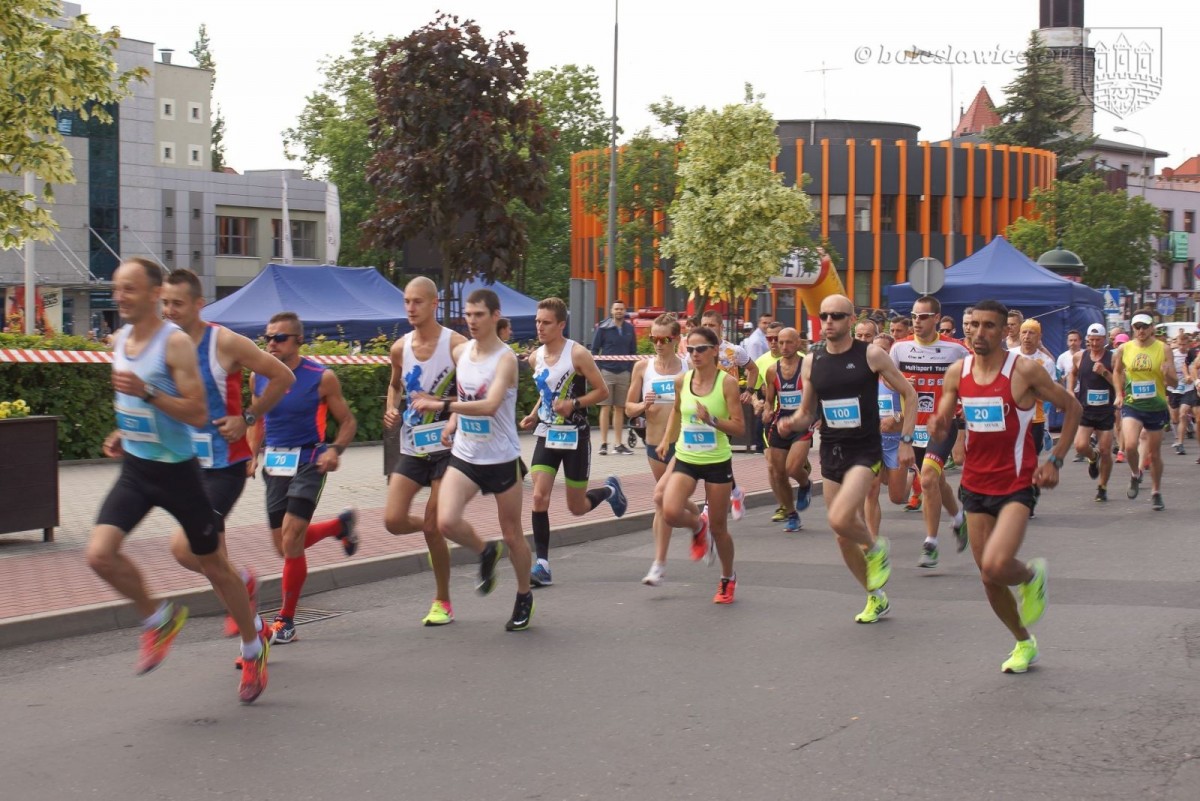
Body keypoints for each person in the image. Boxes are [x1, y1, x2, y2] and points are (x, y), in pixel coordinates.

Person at [86, 257, 269, 703]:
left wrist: (148, 392)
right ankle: (159, 619)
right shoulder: (121, 339)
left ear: (153, 294)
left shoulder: (175, 344)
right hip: (137, 469)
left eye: (129, 289)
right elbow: (134, 406)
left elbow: (197, 412)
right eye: (116, 288)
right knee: (99, 555)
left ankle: (253, 646)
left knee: (215, 566)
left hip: (179, 473)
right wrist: (123, 431)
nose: (119, 297)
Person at [928, 299, 1081, 674]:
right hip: (975, 484)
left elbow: (1073, 407)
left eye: (989, 326)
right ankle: (1024, 642)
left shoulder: (1023, 371)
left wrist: (1056, 460)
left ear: (1004, 331)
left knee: (996, 565)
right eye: (974, 325)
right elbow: (945, 414)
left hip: (1016, 483)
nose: (979, 332)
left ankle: (1031, 575)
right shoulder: (957, 372)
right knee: (988, 576)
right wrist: (939, 424)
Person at [160, 269, 295, 649]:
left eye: (177, 303)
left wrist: (248, 418)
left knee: (185, 547)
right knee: (213, 562)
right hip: (188, 466)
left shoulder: (225, 342)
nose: (169, 311)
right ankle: (252, 626)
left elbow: (283, 377)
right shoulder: (165, 344)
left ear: (198, 305)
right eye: (165, 303)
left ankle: (250, 631)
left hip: (225, 467)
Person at [778, 294, 918, 624]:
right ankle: (875, 596)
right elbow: (808, 410)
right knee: (841, 535)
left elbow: (909, 394)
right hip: (832, 450)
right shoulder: (812, 360)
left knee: (840, 518)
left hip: (865, 450)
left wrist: (906, 441)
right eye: (824, 315)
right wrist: (792, 422)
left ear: (851, 320)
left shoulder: (870, 354)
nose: (829, 321)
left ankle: (875, 547)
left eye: (837, 316)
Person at [410, 288, 536, 631]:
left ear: (495, 316)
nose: (472, 321)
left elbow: (490, 404)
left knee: (512, 535)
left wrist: (442, 406)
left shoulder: (505, 359)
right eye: (468, 315)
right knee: (446, 522)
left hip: (501, 458)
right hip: (466, 454)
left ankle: (524, 595)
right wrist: (453, 420)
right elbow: (465, 393)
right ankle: (485, 552)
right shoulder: (462, 352)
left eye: (479, 315)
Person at [248, 312, 360, 645]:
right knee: (283, 545)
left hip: (310, 460)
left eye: (279, 338)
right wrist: (251, 455)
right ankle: (338, 527)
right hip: (275, 462)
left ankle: (286, 620)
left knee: (293, 536)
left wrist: (335, 450)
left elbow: (348, 421)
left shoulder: (321, 377)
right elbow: (258, 420)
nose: (272, 343)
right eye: (268, 337)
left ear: (298, 341)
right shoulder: (258, 377)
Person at [521, 297, 628, 586]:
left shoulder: (578, 354)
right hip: (547, 433)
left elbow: (602, 391)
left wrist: (574, 404)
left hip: (575, 436)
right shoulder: (535, 357)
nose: (539, 327)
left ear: (561, 325)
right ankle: (542, 565)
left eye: (546, 323)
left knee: (577, 507)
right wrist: (534, 414)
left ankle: (609, 490)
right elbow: (547, 393)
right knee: (538, 496)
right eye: (537, 321)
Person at [382, 277, 468, 626]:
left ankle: (442, 600)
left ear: (434, 304)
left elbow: (475, 394)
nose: (410, 308)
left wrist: (445, 407)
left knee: (434, 525)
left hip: (448, 447)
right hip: (413, 445)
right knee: (393, 521)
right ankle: (437, 532)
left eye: (417, 302)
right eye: (406, 301)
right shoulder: (399, 348)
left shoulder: (457, 345)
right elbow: (394, 385)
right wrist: (391, 408)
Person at [654, 324, 745, 603]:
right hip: (687, 456)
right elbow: (677, 412)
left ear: (715, 350)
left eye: (701, 349)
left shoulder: (727, 383)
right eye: (690, 349)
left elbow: (739, 427)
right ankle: (697, 527)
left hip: (717, 460)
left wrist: (712, 420)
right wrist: (667, 439)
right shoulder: (682, 381)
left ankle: (728, 577)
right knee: (670, 511)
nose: (695, 354)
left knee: (719, 528)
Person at [890, 295, 970, 568]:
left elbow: (973, 380)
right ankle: (958, 518)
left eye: (923, 317)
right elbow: (886, 383)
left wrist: (965, 411)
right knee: (936, 481)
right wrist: (902, 383)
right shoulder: (899, 349)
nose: (917, 322)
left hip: (941, 426)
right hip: (913, 427)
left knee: (926, 480)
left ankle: (931, 543)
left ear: (936, 318)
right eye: (914, 316)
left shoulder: (956, 350)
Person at [626, 313, 688, 585]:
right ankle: (702, 525)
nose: (659, 344)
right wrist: (643, 405)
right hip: (654, 445)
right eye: (654, 339)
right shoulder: (642, 367)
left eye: (664, 339)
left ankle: (658, 564)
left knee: (661, 499)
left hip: (682, 444)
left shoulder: (687, 367)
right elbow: (628, 408)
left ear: (676, 339)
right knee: (671, 501)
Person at [1112, 312, 1177, 511]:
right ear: (1132, 328)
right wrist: (1119, 394)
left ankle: (1156, 492)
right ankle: (1135, 474)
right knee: (1130, 445)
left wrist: (1167, 375)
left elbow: (1174, 382)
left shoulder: (1163, 349)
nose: (1141, 330)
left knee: (1154, 454)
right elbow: (1117, 371)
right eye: (1137, 327)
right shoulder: (1124, 348)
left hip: (1156, 406)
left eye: (1145, 326)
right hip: (1133, 404)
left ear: (1152, 328)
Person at [701, 310, 759, 519]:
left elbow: (753, 369)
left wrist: (749, 391)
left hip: (727, 415)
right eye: (704, 325)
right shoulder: (696, 352)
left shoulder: (733, 351)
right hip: (703, 412)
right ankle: (735, 492)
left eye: (711, 325)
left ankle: (708, 508)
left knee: (713, 457)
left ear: (721, 328)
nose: (707, 329)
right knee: (714, 458)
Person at [761, 327, 814, 532]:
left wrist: (819, 416)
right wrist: (766, 410)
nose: (783, 346)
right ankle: (792, 514)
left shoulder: (807, 367)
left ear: (798, 343)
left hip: (802, 422)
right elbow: (769, 400)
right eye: (779, 342)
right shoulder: (772, 370)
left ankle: (805, 483)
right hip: (781, 423)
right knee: (778, 473)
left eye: (788, 342)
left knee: (792, 469)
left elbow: (817, 394)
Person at [866, 333, 911, 540]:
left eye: (883, 350)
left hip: (895, 442)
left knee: (897, 497)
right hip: (874, 442)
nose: (878, 353)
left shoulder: (898, 378)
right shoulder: (865, 377)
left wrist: (896, 417)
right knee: (871, 489)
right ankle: (872, 541)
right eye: (875, 349)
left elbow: (916, 407)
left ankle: (911, 475)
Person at [1068, 323, 1118, 502]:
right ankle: (1092, 456)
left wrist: (1105, 373)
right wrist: (1070, 390)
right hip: (1086, 409)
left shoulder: (1113, 358)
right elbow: (1072, 374)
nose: (1095, 343)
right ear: (1087, 340)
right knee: (1080, 446)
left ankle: (1102, 487)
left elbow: (1121, 383)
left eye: (1098, 340)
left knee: (1105, 450)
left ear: (1104, 340)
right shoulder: (1079, 356)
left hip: (1105, 410)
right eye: (1092, 340)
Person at [591, 300, 638, 455]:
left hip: (623, 373)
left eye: (621, 309)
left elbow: (633, 352)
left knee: (620, 408)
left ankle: (618, 444)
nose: (619, 311)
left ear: (625, 311)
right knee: (605, 407)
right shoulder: (603, 328)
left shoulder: (630, 329)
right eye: (616, 309)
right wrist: (599, 370)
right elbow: (594, 350)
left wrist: (629, 369)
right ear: (611, 311)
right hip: (607, 372)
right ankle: (603, 443)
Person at [1015, 319, 1057, 458]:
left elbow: (1051, 392)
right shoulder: (1008, 356)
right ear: (1019, 334)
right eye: (1024, 332)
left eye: (1031, 333)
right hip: (1012, 417)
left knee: (1031, 459)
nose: (1027, 336)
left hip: (1035, 418)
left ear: (1039, 337)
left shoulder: (1046, 362)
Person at [751, 321, 784, 455]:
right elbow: (751, 389)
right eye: (770, 338)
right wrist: (755, 402)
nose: (773, 342)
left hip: (796, 415)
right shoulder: (761, 361)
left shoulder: (800, 359)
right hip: (771, 416)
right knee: (772, 459)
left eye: (777, 338)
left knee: (795, 461)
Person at [1167, 333, 1193, 455]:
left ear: (1188, 344)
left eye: (1184, 344)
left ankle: (1180, 442)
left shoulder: (1191, 354)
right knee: (1174, 417)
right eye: (1180, 344)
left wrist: (1190, 377)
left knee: (1183, 414)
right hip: (1174, 388)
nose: (1182, 347)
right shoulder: (1173, 354)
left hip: (1188, 388)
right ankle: (1179, 434)